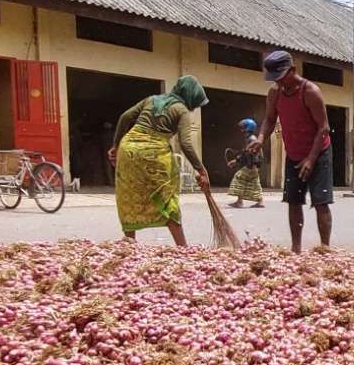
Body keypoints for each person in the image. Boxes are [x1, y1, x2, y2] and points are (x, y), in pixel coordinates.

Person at [109, 75, 210, 246]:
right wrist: (201, 169)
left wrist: (116, 146)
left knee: (129, 194)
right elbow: (186, 143)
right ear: (190, 97)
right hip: (154, 153)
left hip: (128, 148)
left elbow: (125, 117)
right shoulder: (181, 110)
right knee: (165, 197)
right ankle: (183, 247)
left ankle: (129, 244)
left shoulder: (151, 100)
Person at [253, 51, 333, 253]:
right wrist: (261, 138)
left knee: (321, 202)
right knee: (293, 201)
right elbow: (270, 119)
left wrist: (311, 159)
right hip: (294, 153)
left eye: (281, 78)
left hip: (318, 152)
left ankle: (325, 249)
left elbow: (324, 127)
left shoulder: (310, 91)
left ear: (293, 71)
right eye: (274, 80)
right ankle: (296, 248)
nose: (279, 84)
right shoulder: (275, 93)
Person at [227, 118, 264, 208]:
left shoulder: (251, 139)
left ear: (248, 128)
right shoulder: (250, 138)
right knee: (255, 182)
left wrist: (254, 165)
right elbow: (246, 153)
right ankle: (260, 201)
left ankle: (239, 202)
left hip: (251, 165)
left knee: (239, 177)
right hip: (253, 165)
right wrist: (236, 160)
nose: (241, 130)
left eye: (243, 127)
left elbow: (254, 153)